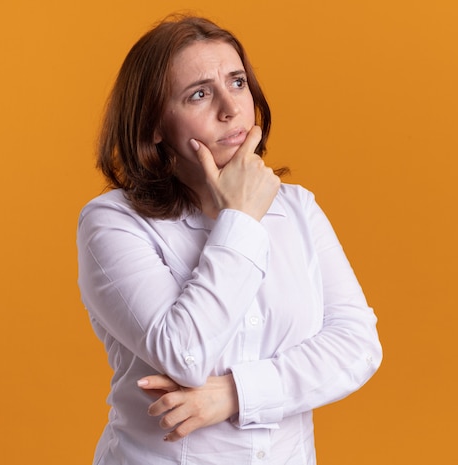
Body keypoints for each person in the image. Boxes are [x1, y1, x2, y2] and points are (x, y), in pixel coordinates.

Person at [77, 14, 382, 465]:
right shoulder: (112, 222)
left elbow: (357, 344)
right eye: (199, 93)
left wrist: (235, 394)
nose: (230, 108)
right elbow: (184, 353)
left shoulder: (296, 208)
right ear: (154, 124)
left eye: (237, 83)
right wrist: (240, 217)